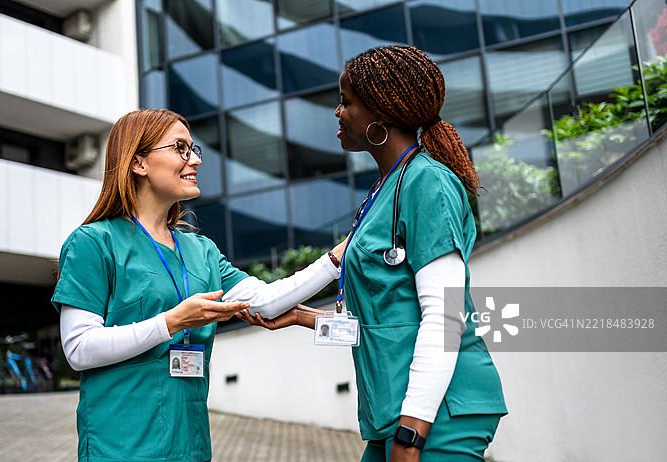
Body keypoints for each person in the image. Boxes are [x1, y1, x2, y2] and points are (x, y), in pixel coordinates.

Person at [237, 45, 507, 462]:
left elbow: (444, 317)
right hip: (394, 413)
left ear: (380, 113)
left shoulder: (427, 183)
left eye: (346, 101)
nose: (337, 112)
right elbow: (380, 324)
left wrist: (411, 435)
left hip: (438, 413)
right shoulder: (384, 192)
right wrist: (301, 317)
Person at [51, 109, 347, 462]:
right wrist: (171, 322)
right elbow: (79, 348)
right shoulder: (93, 243)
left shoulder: (201, 250)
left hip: (190, 447)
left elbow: (267, 303)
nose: (194, 160)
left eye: (194, 149)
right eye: (180, 148)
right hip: (120, 448)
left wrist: (337, 258)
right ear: (139, 163)